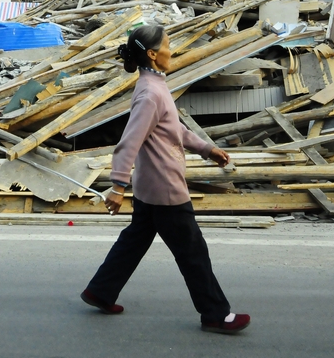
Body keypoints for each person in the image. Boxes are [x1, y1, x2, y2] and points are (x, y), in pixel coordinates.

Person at [80, 24, 251, 335]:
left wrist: (206, 148)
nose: (172, 50)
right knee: (193, 252)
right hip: (164, 187)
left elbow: (174, 131)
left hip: (150, 186)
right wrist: (117, 185)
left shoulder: (155, 86)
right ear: (152, 54)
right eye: (168, 45)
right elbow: (130, 141)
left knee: (134, 241)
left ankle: (100, 291)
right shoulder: (150, 93)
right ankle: (215, 314)